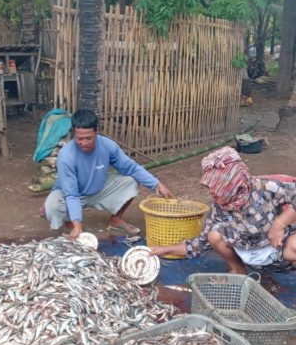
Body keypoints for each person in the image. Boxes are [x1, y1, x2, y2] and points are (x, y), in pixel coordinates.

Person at [151, 147, 296, 274]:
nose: (212, 192)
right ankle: (238, 269)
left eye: (217, 187)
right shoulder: (218, 209)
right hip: (250, 256)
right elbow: (199, 245)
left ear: (232, 183)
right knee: (214, 235)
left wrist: (279, 224)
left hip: (279, 247)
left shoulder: (264, 188)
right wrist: (165, 250)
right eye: (210, 187)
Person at [41, 109, 174, 240]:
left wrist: (157, 185)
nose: (84, 143)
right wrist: (77, 223)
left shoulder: (108, 145)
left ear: (96, 132)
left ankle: (116, 220)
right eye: (80, 139)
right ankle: (72, 225)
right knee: (52, 205)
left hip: (98, 190)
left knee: (131, 181)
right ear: (74, 134)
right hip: (69, 194)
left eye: (89, 138)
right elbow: (71, 194)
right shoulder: (66, 155)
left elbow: (131, 167)